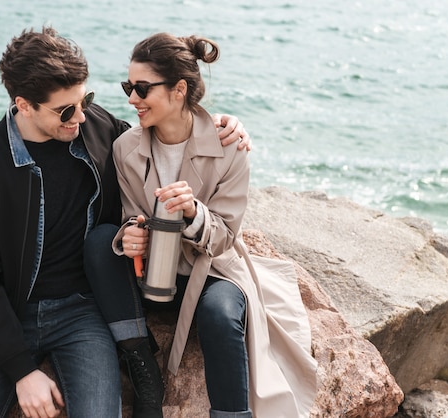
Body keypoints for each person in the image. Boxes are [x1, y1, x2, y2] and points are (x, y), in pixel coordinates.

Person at [0, 26, 250, 418]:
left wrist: (219, 124)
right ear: (23, 104)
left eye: (84, 99)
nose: (81, 116)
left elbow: (163, 132)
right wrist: (22, 371)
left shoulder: (96, 129)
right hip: (10, 313)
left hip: (82, 311)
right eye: (65, 110)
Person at [84, 33, 318, 417]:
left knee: (221, 314)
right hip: (152, 278)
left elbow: (225, 236)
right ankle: (143, 369)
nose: (131, 99)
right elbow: (129, 213)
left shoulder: (229, 146)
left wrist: (193, 212)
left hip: (210, 272)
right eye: (128, 87)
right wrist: (131, 235)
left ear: (179, 90)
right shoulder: (125, 148)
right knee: (99, 242)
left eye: (141, 88)